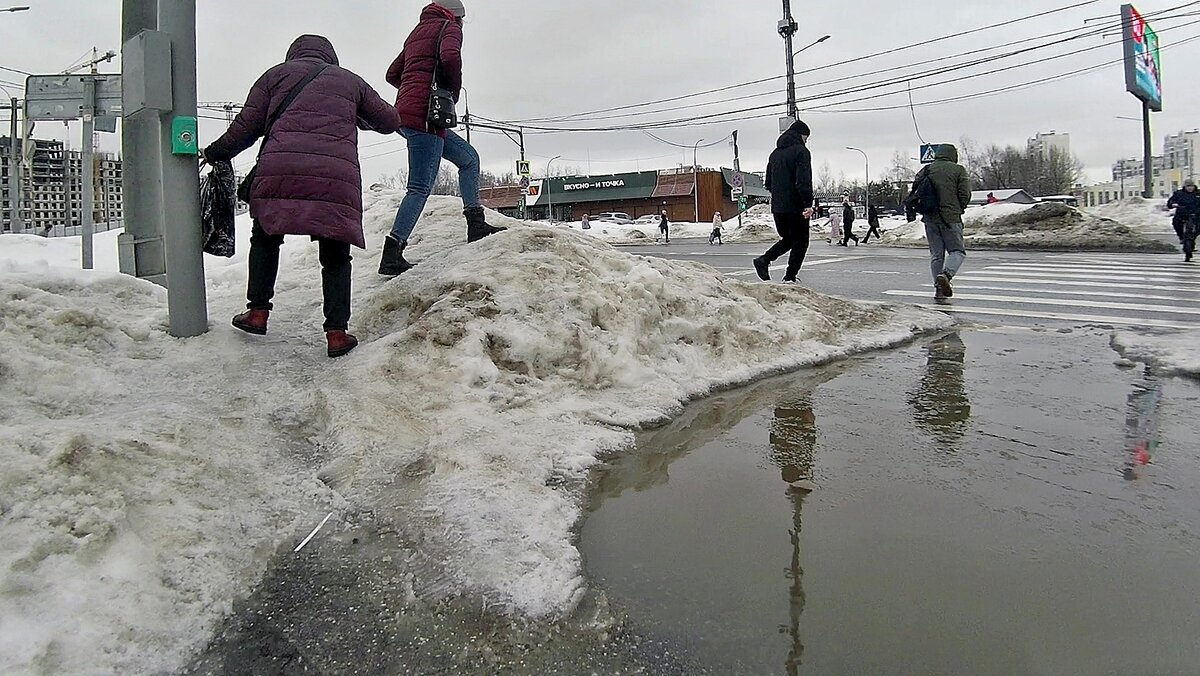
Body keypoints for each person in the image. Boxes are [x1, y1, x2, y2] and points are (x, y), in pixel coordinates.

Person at [203, 35, 401, 359]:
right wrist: (353, 113)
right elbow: (390, 121)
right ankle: (337, 333)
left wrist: (215, 153)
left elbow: (245, 127)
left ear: (293, 55)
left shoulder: (274, 76)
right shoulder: (351, 82)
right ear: (330, 57)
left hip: (280, 170)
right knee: (336, 255)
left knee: (265, 238)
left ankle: (257, 313)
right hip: (334, 177)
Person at [379, 0, 505, 276]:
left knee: (469, 159)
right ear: (458, 16)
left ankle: (475, 223)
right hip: (426, 117)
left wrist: (414, 87)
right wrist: (451, 89)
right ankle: (392, 250)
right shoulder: (449, 27)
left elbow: (392, 74)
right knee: (420, 186)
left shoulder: (417, 32)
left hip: (408, 114)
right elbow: (450, 57)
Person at [754, 119, 814, 283]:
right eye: (806, 138)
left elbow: (768, 183)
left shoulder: (774, 154)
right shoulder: (801, 152)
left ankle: (764, 260)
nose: (806, 142)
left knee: (789, 239)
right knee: (801, 242)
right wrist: (807, 203)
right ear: (802, 135)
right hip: (796, 207)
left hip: (778, 208)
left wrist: (780, 197)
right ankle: (789, 277)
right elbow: (803, 181)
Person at [910, 144, 971, 300]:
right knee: (957, 251)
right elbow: (965, 194)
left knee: (936, 255)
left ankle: (939, 289)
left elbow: (915, 191)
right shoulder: (958, 170)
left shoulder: (927, 169)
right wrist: (959, 208)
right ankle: (946, 275)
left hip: (929, 218)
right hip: (950, 218)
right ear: (953, 155)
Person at [1167, 178, 1200, 262]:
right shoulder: (1179, 194)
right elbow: (1170, 202)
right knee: (1176, 223)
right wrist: (1173, 204)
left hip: (1196, 215)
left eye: (1191, 186)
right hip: (1182, 214)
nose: (1190, 188)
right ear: (1185, 186)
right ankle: (1181, 236)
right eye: (1188, 186)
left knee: (1197, 229)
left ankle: (1192, 239)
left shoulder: (1198, 193)